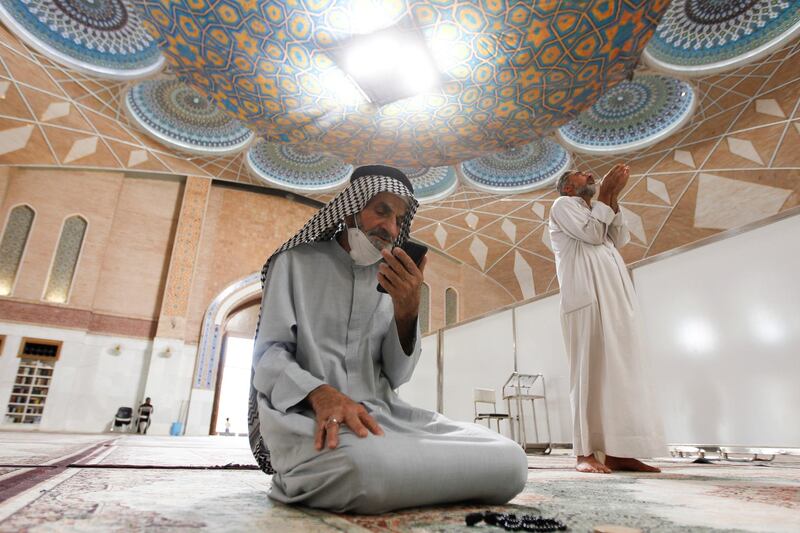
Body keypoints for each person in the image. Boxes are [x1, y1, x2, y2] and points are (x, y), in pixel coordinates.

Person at [248, 165, 527, 514]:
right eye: (381, 211)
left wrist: (407, 312)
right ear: (350, 208)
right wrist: (320, 394)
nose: (391, 228)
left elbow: (397, 376)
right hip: (309, 417)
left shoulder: (392, 281)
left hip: (384, 416)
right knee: (365, 467)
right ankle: (320, 472)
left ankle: (391, 473)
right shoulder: (294, 264)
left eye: (398, 218)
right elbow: (268, 356)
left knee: (511, 460)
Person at [548, 163, 664, 474]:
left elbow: (618, 237)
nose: (589, 174)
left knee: (617, 374)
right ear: (569, 187)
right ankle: (584, 453)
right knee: (588, 374)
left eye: (591, 174)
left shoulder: (596, 209)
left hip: (614, 302)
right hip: (585, 302)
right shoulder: (563, 205)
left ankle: (616, 451)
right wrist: (608, 193)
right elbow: (593, 235)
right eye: (579, 173)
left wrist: (612, 198)